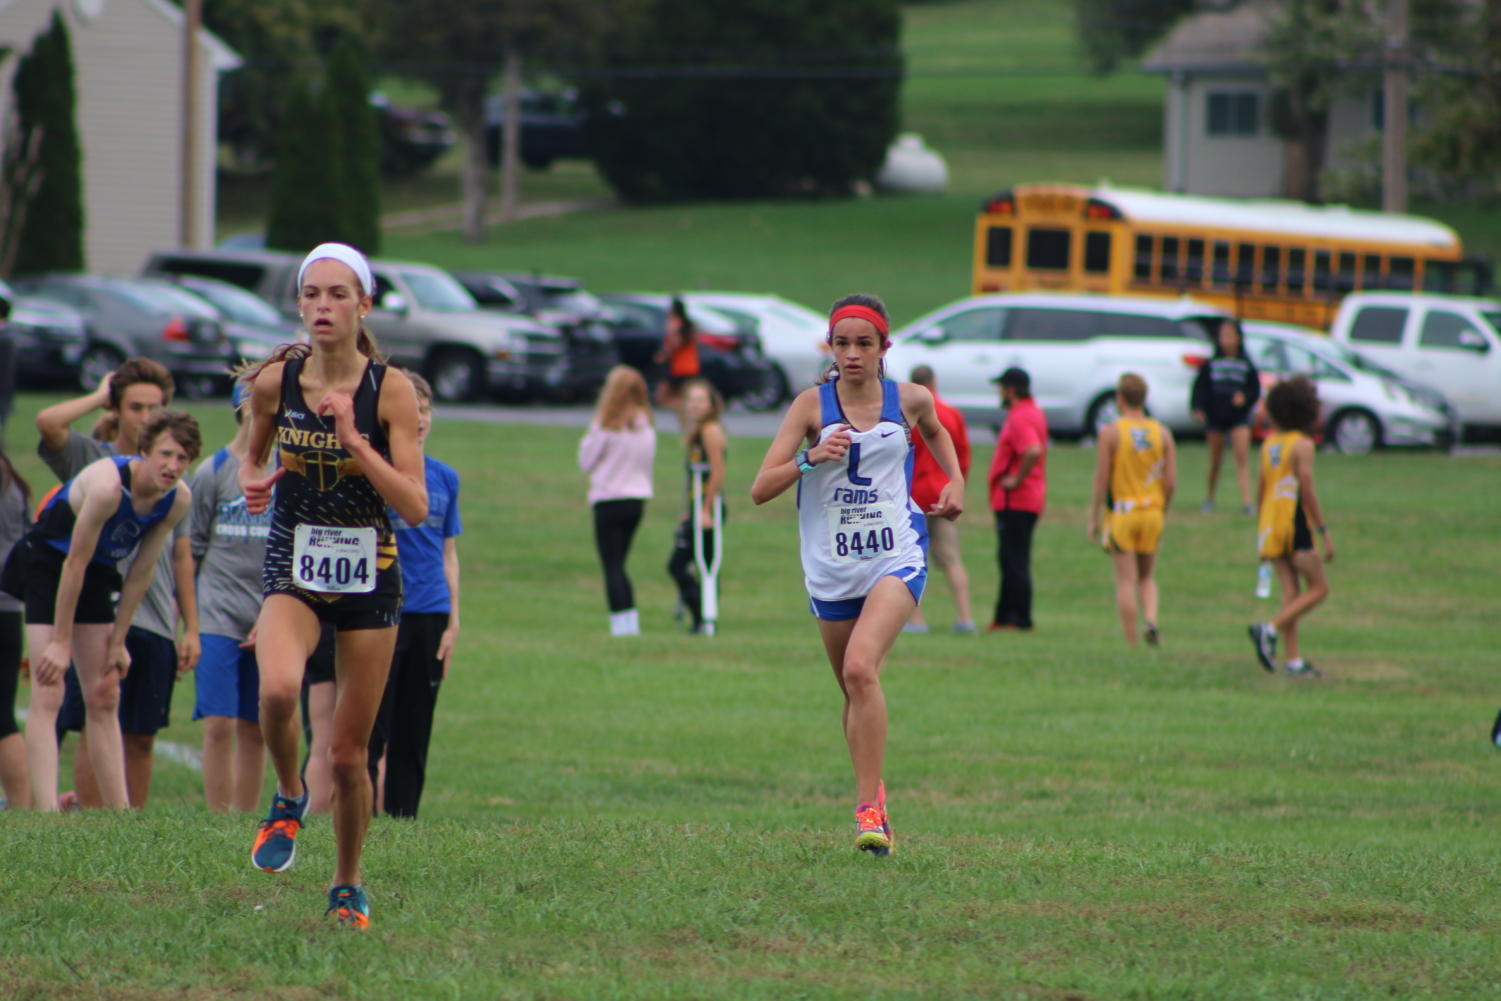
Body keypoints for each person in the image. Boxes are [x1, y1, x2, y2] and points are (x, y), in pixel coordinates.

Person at [239, 242, 426, 929]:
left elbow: (413, 505)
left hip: (369, 576)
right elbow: (248, 452)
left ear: (363, 305)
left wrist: (355, 438)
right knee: (279, 690)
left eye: (337, 294)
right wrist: (252, 480)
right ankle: (287, 795)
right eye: (311, 294)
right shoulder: (274, 382)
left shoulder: (390, 389)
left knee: (349, 756)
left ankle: (347, 882)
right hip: (294, 562)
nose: (322, 306)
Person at [751, 293, 963, 856]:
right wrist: (810, 458)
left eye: (863, 344)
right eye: (841, 343)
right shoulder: (810, 408)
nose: (851, 354)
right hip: (830, 568)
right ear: (831, 347)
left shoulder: (910, 399)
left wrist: (955, 482)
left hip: (896, 554)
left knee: (861, 669)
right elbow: (759, 488)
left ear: (883, 348)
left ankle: (869, 811)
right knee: (851, 686)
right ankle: (876, 797)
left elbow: (936, 430)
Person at [35, 359, 199, 809]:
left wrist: (190, 625)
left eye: (156, 407)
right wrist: (97, 395)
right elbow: (47, 422)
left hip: (150, 609)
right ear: (118, 409)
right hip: (86, 595)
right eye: (135, 407)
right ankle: (83, 811)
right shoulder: (95, 461)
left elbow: (177, 554)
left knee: (139, 725)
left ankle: (125, 819)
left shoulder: (176, 485)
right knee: (88, 708)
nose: (146, 417)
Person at [367, 371, 461, 818]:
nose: (419, 419)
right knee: (372, 726)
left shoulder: (446, 478)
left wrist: (454, 619)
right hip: (384, 609)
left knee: (415, 726)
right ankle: (361, 817)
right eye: (411, 410)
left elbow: (448, 552)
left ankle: (404, 822)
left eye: (425, 410)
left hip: (430, 612)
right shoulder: (378, 473)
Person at [190, 384, 272, 812]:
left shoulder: (284, 471)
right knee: (219, 722)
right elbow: (192, 549)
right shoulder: (214, 470)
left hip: (268, 615)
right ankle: (218, 817)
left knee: (256, 725)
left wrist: (276, 613)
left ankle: (246, 817)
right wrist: (188, 621)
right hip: (217, 613)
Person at [1248, 375, 1333, 679]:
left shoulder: (1270, 444)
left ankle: (1293, 661)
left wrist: (1261, 530)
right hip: (1294, 521)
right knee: (1319, 589)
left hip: (1271, 522)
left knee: (1290, 592)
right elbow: (1306, 489)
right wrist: (1323, 531)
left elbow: (1261, 488)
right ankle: (1268, 630)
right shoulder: (1303, 445)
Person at [1087, 373, 1177, 647]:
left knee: (1126, 581)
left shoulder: (1111, 432)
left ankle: (1130, 642)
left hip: (1123, 513)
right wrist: (1162, 509)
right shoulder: (1162, 433)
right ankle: (1150, 620)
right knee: (1147, 577)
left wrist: (1094, 517)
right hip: (1153, 511)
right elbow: (1170, 482)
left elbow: (1102, 479)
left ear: (1120, 399)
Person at [579, 365, 656, 637]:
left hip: (609, 499)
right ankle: (630, 620)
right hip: (636, 499)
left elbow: (585, 461)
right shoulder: (645, 425)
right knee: (621, 563)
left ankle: (620, 625)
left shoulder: (606, 425)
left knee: (612, 565)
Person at [904, 365, 974, 634]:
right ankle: (965, 617)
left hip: (913, 495)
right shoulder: (952, 414)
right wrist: (958, 485)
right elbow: (963, 455)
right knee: (952, 559)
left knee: (910, 561)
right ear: (935, 382)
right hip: (944, 493)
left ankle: (917, 621)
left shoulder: (908, 415)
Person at [987, 367, 1047, 632]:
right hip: (1027, 499)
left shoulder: (1021, 416)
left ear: (1011, 389)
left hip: (1017, 500)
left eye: (1001, 387)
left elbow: (1032, 449)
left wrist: (1016, 478)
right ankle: (1003, 616)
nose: (1000, 392)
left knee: (1014, 560)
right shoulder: (1033, 411)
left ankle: (1019, 618)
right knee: (1010, 558)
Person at [666, 377, 725, 635]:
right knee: (683, 564)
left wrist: (705, 509)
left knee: (681, 565)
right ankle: (700, 617)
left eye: (700, 400)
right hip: (696, 506)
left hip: (708, 509)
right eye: (691, 401)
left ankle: (704, 616)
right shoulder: (696, 431)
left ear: (711, 404)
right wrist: (688, 510)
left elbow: (718, 473)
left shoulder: (711, 431)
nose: (695, 406)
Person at [1191, 319, 1260, 514]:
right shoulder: (1212, 363)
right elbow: (1200, 388)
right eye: (1222, 335)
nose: (1226, 339)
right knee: (1215, 460)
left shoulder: (1246, 364)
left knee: (1242, 457)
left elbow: (1254, 389)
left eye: (1230, 335)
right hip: (1216, 416)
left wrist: (1244, 397)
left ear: (1238, 338)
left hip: (1238, 417)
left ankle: (1247, 503)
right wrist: (1198, 407)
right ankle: (1209, 498)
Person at [0, 449, 31, 809]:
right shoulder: (15, 481)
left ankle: (23, 804)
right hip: (10, 607)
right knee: (4, 713)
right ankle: (23, 804)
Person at [654, 297, 699, 409]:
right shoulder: (690, 325)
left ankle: (684, 408)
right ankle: (685, 409)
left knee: (663, 395)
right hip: (690, 365)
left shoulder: (674, 324)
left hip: (677, 365)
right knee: (683, 392)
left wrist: (663, 355)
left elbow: (674, 343)